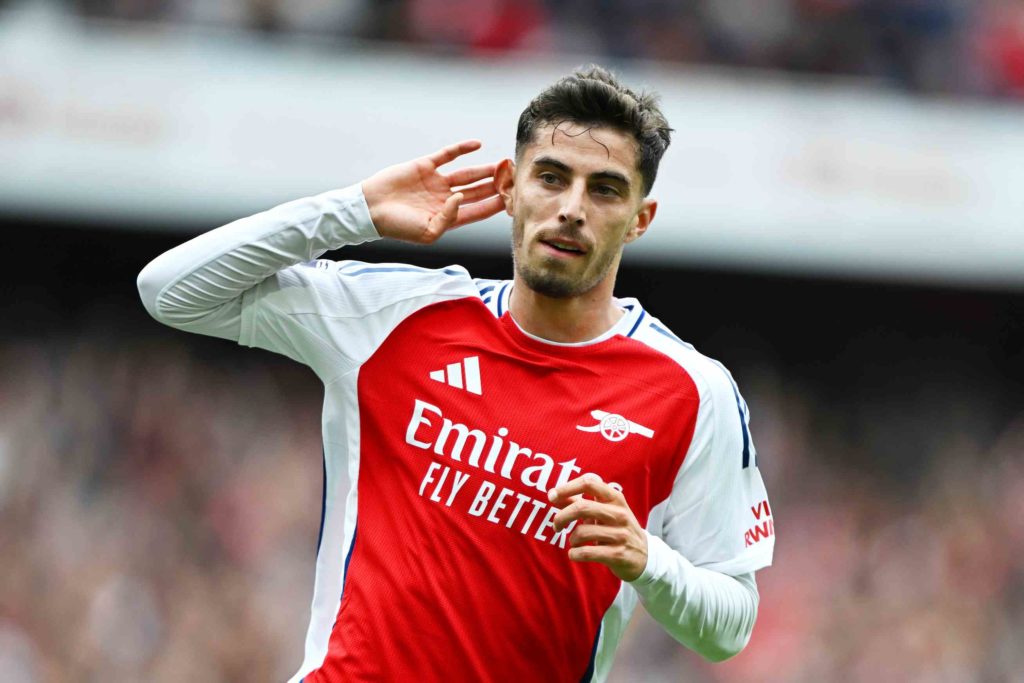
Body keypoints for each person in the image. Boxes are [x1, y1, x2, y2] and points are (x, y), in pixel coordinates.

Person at [137, 65, 775, 682]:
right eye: (550, 177)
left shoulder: (692, 392)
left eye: (604, 189)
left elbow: (731, 629)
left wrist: (648, 562)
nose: (572, 208)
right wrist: (354, 211)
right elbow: (170, 291)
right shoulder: (400, 317)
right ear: (508, 187)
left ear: (640, 218)